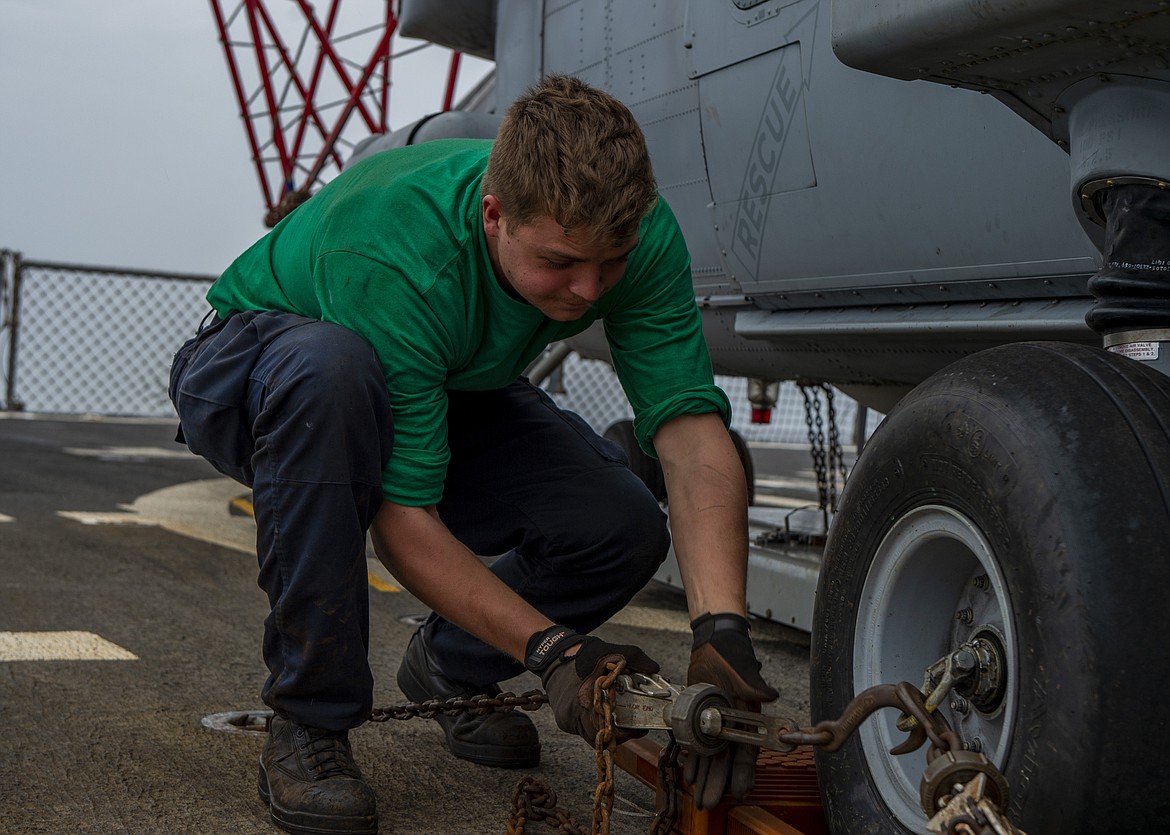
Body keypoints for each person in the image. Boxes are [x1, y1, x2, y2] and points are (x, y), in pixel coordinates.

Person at [170, 74, 778, 835]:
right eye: (560, 262)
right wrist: (554, 651)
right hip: (259, 369)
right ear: (494, 216)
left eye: (610, 262)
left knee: (620, 523)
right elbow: (404, 523)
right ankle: (308, 721)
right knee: (333, 375)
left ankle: (453, 662)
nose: (589, 290)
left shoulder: (637, 232)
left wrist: (721, 631)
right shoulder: (397, 246)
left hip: (438, 374)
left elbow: (689, 435)